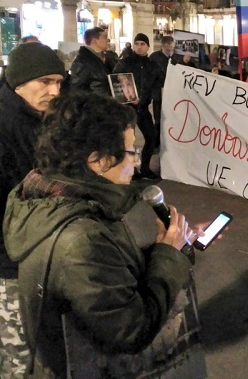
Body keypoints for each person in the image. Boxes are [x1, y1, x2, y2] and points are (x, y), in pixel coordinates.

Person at [3, 92, 200, 378]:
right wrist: (168, 257)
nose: (136, 161)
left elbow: (107, 272)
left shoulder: (54, 200)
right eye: (131, 151)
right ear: (97, 160)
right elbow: (131, 329)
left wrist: (166, 247)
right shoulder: (79, 237)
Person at [0, 42, 66, 377]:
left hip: (32, 251)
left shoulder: (36, 117)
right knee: (17, 353)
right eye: (46, 82)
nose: (54, 91)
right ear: (20, 82)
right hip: (10, 261)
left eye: (59, 82)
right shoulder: (5, 124)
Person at [113, 33, 163, 179]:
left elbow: (162, 80)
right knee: (129, 140)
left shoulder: (152, 65)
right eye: (137, 44)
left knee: (151, 137)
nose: (139, 47)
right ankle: (132, 170)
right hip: (127, 109)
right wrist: (127, 96)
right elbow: (115, 79)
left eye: (142, 44)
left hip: (142, 108)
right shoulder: (125, 62)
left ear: (148, 46)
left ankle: (145, 168)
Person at [149, 36, 180, 146]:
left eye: (170, 45)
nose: (168, 48)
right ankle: (157, 142)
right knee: (159, 119)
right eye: (166, 46)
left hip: (173, 93)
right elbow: (150, 74)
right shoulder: (154, 57)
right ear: (162, 45)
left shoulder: (177, 57)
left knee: (172, 118)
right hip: (159, 93)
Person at [69, 26, 115, 96]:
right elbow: (77, 89)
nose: (108, 40)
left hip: (108, 103)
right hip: (95, 104)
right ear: (94, 41)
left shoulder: (108, 57)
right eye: (104, 37)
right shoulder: (82, 60)